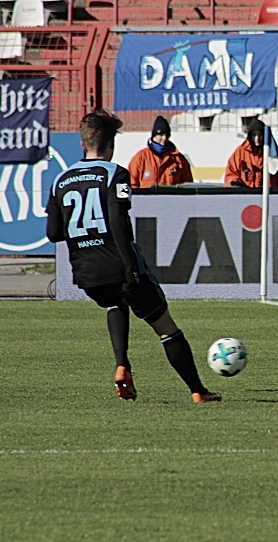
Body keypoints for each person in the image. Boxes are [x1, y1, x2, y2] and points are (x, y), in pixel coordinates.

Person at [46, 109, 221, 404]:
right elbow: (118, 222)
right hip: (119, 265)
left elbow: (53, 233)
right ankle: (198, 391)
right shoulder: (116, 173)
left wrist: (85, 234)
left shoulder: (60, 180)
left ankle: (122, 365)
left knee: (115, 301)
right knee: (166, 327)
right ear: (111, 143)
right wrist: (131, 268)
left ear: (82, 143)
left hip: (86, 274)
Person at [128, 116, 194, 188]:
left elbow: (187, 186)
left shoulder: (179, 159)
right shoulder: (140, 158)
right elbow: (131, 183)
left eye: (167, 135)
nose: (164, 138)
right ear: (154, 135)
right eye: (161, 135)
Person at [224, 119, 278, 188]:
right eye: (254, 135)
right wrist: (235, 183)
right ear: (250, 136)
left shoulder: (273, 155)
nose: (257, 138)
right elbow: (231, 174)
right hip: (246, 196)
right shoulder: (240, 152)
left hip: (268, 196)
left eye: (260, 135)